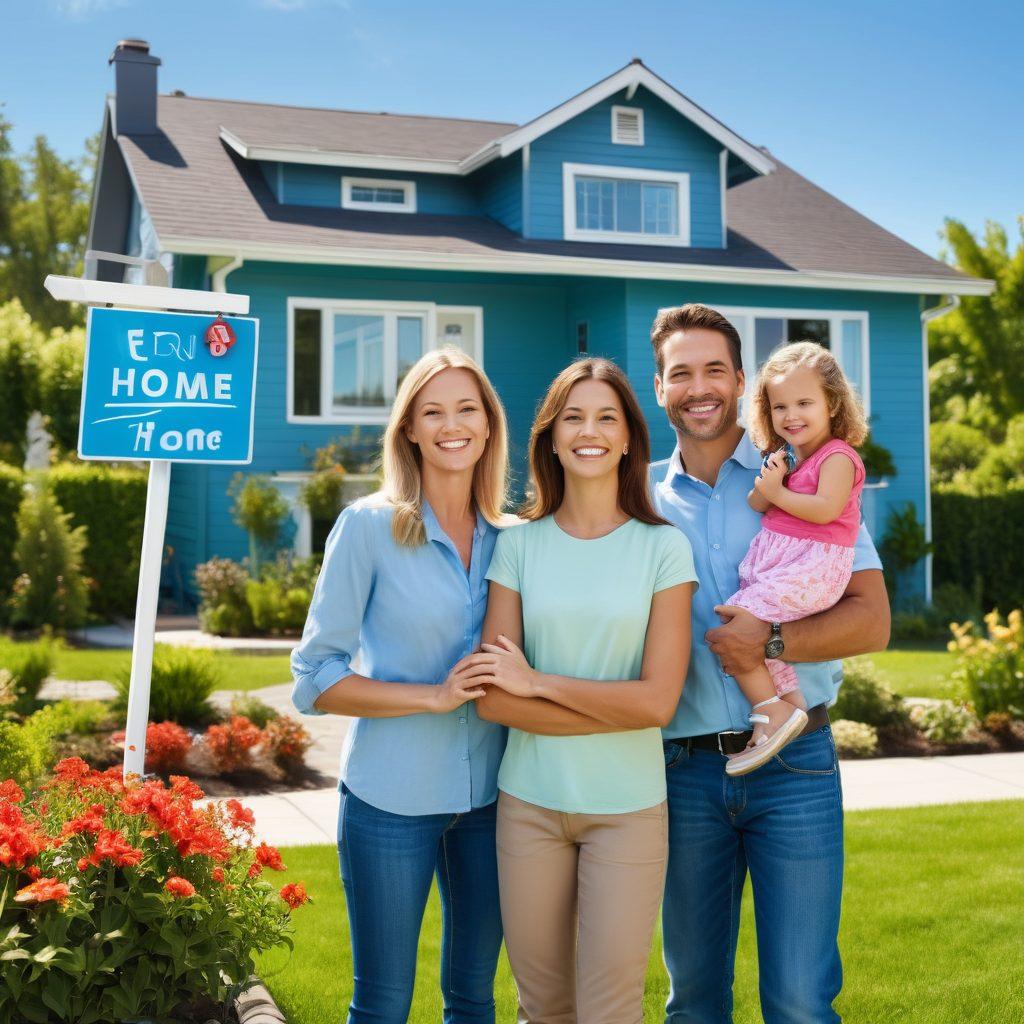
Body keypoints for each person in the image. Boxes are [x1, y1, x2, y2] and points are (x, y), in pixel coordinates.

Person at [647, 304, 890, 1024]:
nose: (699, 387)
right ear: (659, 386)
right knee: (693, 1001)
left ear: (742, 381)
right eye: (680, 372)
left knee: (799, 1002)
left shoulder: (808, 474)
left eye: (714, 369)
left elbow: (872, 620)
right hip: (682, 772)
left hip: (797, 769)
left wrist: (768, 644)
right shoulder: (637, 503)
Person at [462, 358, 696, 1024]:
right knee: (543, 1007)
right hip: (528, 807)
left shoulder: (663, 549)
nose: (589, 432)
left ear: (628, 440)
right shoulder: (518, 546)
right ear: (552, 437)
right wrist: (606, 706)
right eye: (573, 417)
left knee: (610, 1010)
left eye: (606, 418)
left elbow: (658, 704)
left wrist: (539, 685)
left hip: (627, 810)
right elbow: (495, 701)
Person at [290, 347, 511, 1024]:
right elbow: (315, 677)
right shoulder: (368, 528)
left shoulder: (518, 538)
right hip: (390, 800)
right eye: (433, 411)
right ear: (409, 429)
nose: (453, 424)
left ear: (489, 424)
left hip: (496, 800)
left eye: (467, 408)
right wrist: (433, 697)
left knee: (474, 1000)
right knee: (383, 1005)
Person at [722, 341, 870, 776]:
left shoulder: (838, 457)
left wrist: (778, 492)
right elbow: (756, 502)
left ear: (833, 404)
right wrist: (772, 481)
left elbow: (825, 509)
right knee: (753, 634)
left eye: (804, 403)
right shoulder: (789, 458)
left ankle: (772, 709)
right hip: (786, 562)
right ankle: (788, 708)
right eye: (779, 406)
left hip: (815, 567)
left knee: (739, 626)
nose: (791, 416)